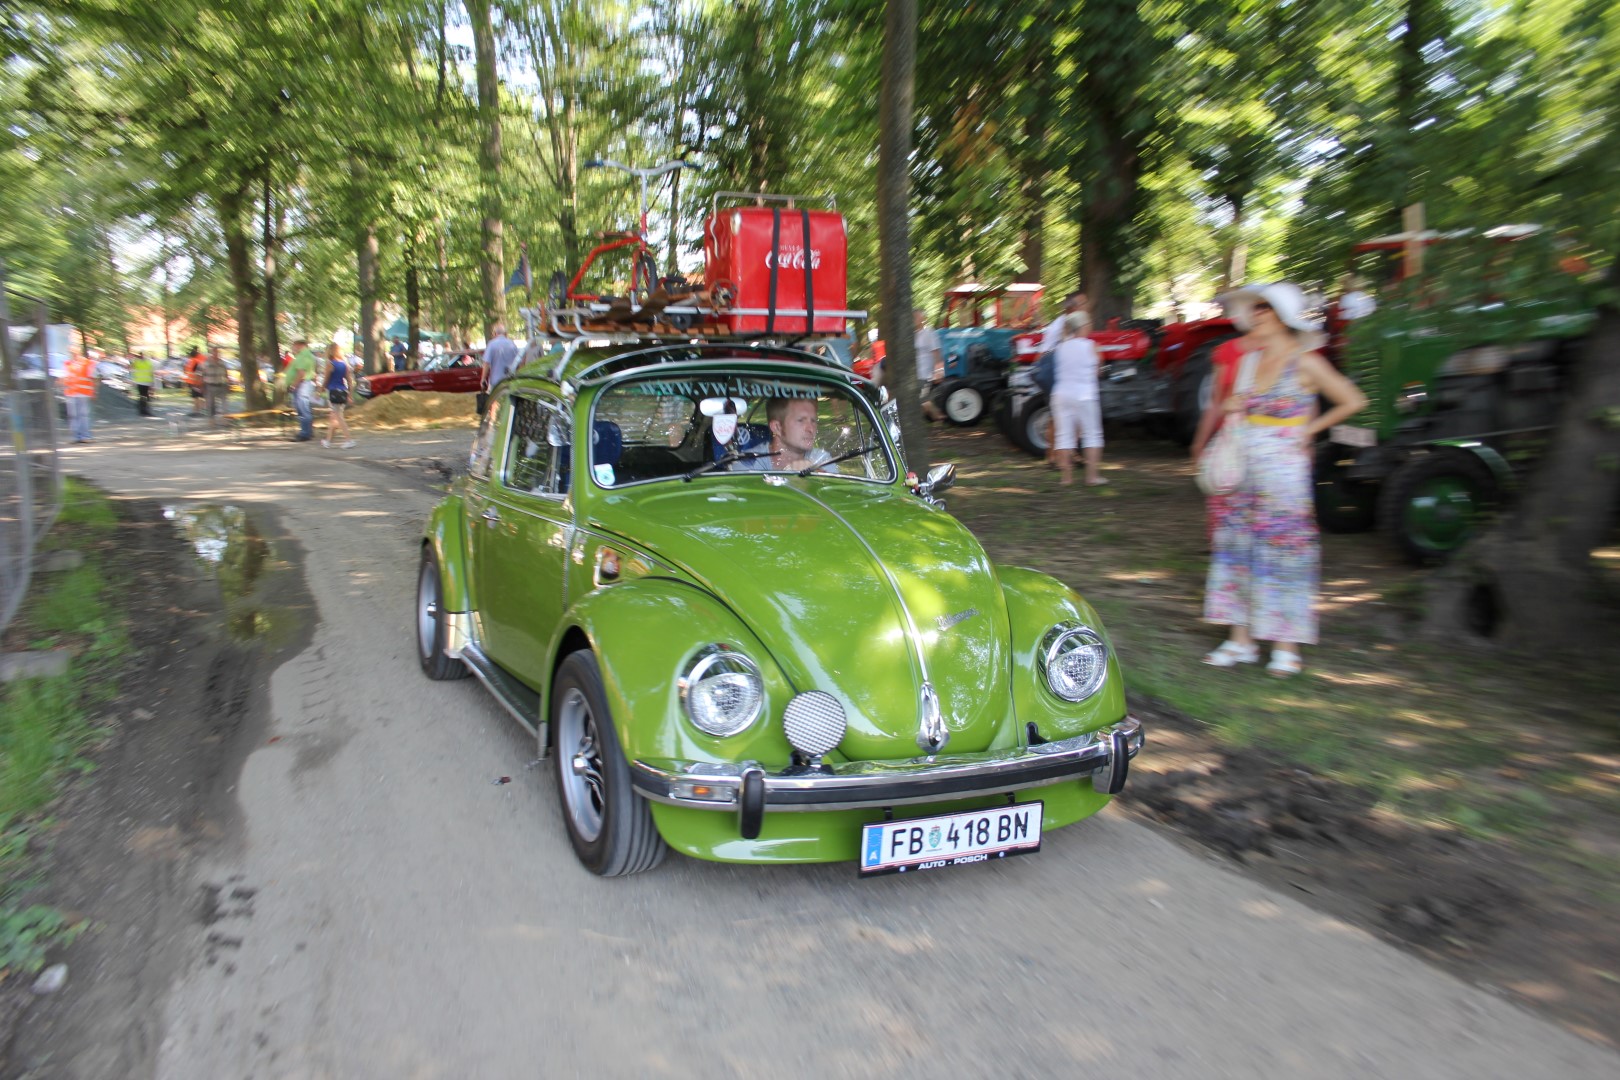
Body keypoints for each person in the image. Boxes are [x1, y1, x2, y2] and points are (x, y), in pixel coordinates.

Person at [1201, 282, 1367, 678]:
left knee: (1285, 553)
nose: (1255, 314)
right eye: (1254, 308)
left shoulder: (1305, 361)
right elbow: (1229, 407)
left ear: (1282, 318)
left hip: (1284, 471)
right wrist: (1232, 405)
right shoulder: (1248, 362)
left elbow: (1353, 400)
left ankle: (1285, 646)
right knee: (1238, 550)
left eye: (1264, 308)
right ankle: (1240, 639)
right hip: (1243, 468)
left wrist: (1309, 431)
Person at [1050, 312, 1106, 486]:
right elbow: (1098, 371)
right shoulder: (1092, 346)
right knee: (1092, 435)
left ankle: (1066, 478)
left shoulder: (1060, 347)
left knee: (1063, 435)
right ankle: (1092, 477)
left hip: (1061, 394)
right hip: (1085, 395)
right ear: (1083, 326)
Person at [1040, 292, 1090, 464]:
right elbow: (1047, 352)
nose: (1086, 307)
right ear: (1073, 307)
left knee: (1073, 415)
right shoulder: (1062, 325)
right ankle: (1052, 456)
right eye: (1083, 304)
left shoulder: (1072, 323)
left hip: (1067, 374)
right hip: (1057, 373)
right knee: (1057, 417)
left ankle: (1070, 453)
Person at [737, 397, 833, 472]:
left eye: (813, 421)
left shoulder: (821, 459)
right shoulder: (749, 463)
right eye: (800, 421)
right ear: (777, 427)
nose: (810, 429)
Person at [322, 343, 357, 449]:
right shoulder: (344, 364)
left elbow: (326, 379)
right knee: (334, 416)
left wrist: (321, 388)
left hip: (333, 391)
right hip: (342, 391)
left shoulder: (330, 364)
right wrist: (350, 394)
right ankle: (328, 441)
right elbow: (349, 381)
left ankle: (349, 439)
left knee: (338, 416)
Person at [479, 323, 518, 415]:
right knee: (508, 402)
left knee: (494, 402)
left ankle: (492, 422)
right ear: (505, 333)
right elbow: (519, 362)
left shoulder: (491, 344)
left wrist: (483, 379)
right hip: (510, 380)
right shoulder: (512, 344)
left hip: (495, 381)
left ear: (495, 333)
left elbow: (486, 363)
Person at [285, 338, 318, 442]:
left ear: (299, 344)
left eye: (293, 345)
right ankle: (308, 432)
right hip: (304, 384)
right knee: (305, 409)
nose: (292, 347)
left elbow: (301, 373)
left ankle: (304, 434)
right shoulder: (307, 355)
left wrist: (294, 385)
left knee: (302, 410)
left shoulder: (303, 356)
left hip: (301, 385)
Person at [914, 309, 945, 421]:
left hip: (926, 373)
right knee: (922, 401)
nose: (914, 320)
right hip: (915, 374)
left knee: (923, 401)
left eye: (916, 317)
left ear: (923, 319)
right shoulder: (912, 335)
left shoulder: (929, 332)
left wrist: (938, 370)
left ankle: (939, 417)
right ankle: (939, 417)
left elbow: (936, 352)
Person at [62, 346, 97, 443]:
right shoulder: (67, 364)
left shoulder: (87, 363)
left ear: (79, 352)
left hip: (83, 393)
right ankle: (76, 437)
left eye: (74, 352)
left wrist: (94, 392)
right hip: (71, 393)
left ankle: (85, 436)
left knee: (83, 416)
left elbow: (93, 377)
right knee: (73, 416)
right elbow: (65, 378)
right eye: (71, 352)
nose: (73, 354)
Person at [200, 347, 230, 426]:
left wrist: (228, 384)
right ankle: (211, 421)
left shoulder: (222, 363)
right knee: (211, 405)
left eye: (218, 353)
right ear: (211, 353)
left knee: (225, 404)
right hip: (210, 385)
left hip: (221, 385)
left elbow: (226, 374)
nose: (216, 354)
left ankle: (225, 420)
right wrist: (202, 386)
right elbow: (201, 374)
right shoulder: (206, 363)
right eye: (214, 352)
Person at [130, 350, 155, 417]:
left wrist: (152, 382)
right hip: (140, 382)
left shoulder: (148, 362)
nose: (142, 356)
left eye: (143, 355)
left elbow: (151, 372)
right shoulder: (136, 362)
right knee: (143, 396)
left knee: (146, 397)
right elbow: (131, 367)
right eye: (141, 355)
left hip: (147, 382)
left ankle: (144, 410)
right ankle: (143, 411)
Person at [184, 346, 206, 415]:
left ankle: (197, 411)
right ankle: (199, 410)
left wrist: (196, 383)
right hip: (197, 382)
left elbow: (196, 373)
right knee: (199, 396)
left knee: (197, 397)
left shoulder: (193, 362)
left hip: (195, 382)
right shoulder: (197, 361)